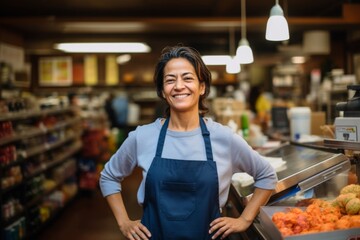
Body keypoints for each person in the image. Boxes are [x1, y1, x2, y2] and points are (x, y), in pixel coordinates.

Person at [99, 45, 277, 240]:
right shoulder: (142, 137)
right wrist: (124, 222)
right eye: (170, 80)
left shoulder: (224, 138)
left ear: (202, 87)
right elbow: (108, 176)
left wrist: (244, 219)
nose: (178, 86)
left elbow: (266, 176)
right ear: (162, 90)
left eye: (187, 78)